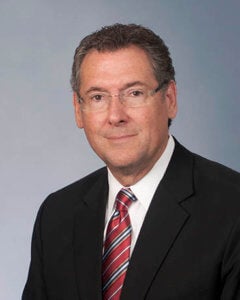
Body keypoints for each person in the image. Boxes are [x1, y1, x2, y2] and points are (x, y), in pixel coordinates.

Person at [22, 23, 240, 300]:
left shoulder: (232, 207)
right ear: (79, 110)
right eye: (98, 97)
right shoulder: (57, 215)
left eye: (134, 93)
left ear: (170, 99)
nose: (115, 115)